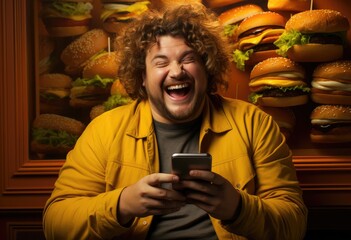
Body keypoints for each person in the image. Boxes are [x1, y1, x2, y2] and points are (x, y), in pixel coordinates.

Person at [43, 4, 308, 240]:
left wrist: (238, 208)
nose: (176, 71)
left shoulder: (254, 124)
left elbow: (293, 224)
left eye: (188, 59)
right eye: (161, 62)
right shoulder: (104, 131)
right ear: (143, 77)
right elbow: (56, 223)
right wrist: (123, 204)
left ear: (207, 68)